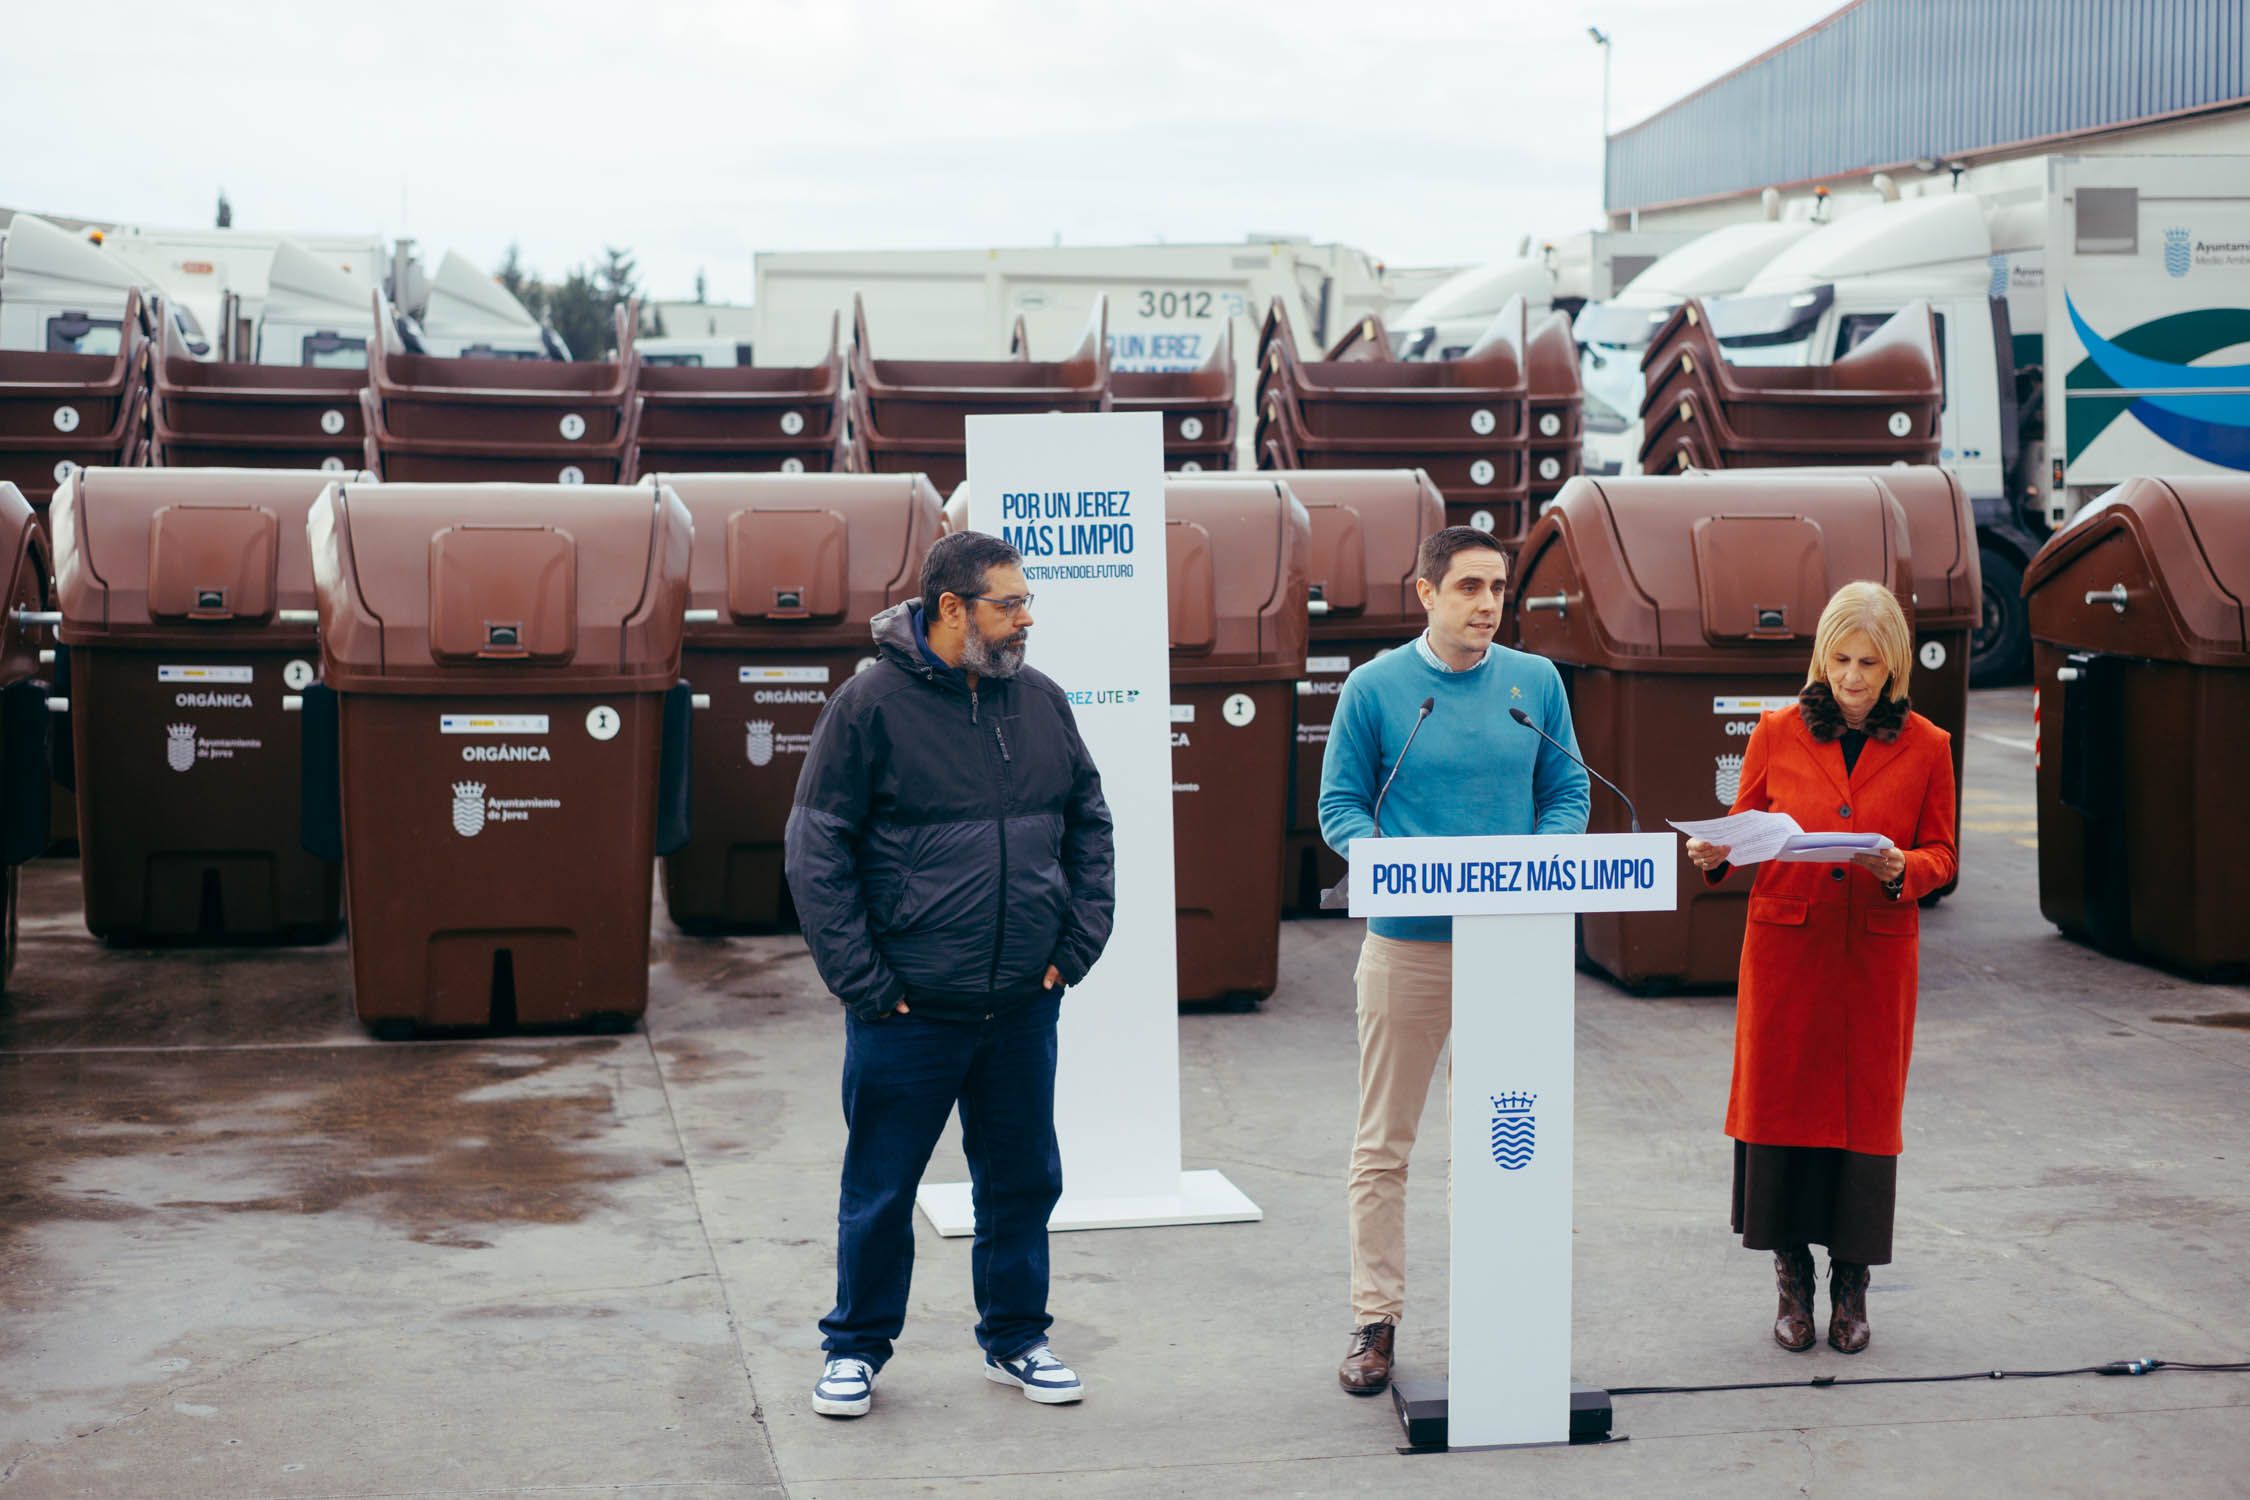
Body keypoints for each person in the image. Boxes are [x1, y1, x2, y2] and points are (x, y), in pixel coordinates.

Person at [783, 530, 1115, 1418]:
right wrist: (867, 983)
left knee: (1021, 1182)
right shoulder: (870, 706)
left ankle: (1016, 1339)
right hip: (910, 1011)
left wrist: (1074, 948)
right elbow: (816, 851)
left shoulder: (1040, 701)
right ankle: (854, 1348)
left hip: (1021, 1005)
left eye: (1027, 601)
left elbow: (1089, 825)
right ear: (952, 608)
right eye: (1010, 604)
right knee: (881, 1188)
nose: (1026, 619)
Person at [1316, 525, 1591, 1395]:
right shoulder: (1376, 689)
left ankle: (1499, 1314)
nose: (1487, 604)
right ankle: (1375, 1321)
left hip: (1511, 949)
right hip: (1409, 947)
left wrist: (1539, 859)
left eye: (1498, 588)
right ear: (1426, 593)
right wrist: (1391, 863)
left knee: (1502, 1139)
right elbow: (1340, 807)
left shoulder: (1535, 684)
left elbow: (1569, 790)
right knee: (1383, 1144)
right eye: (1469, 587)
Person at [1685, 580, 1956, 1355]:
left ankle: (1853, 1286)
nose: (1852, 678)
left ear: (1894, 663)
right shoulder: (1776, 732)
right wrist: (1715, 851)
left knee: (1864, 1120)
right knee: (1783, 1112)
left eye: (1868, 663)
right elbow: (1741, 826)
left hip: (1874, 958)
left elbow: (1943, 854)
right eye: (1840, 660)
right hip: (1788, 954)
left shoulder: (1929, 745)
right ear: (1821, 659)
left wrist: (1903, 867)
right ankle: (1792, 1282)